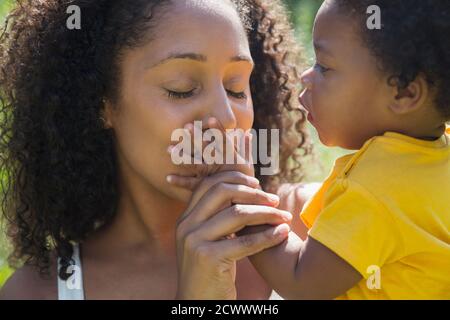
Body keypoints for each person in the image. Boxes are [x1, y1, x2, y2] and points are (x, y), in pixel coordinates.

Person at [0, 0, 313, 299]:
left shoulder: (319, 225)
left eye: (235, 88)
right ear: (102, 102)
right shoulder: (36, 293)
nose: (227, 118)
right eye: (181, 89)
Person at [174, 0, 450, 299]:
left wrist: (237, 201)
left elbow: (300, 281)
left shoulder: (378, 190)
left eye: (325, 67)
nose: (306, 76)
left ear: (405, 92)